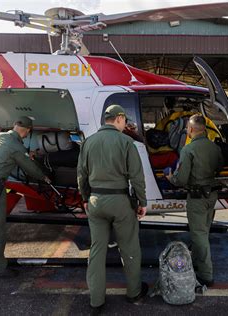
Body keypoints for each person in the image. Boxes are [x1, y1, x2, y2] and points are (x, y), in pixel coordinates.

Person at [77, 104, 148, 314]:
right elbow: (136, 176)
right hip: (120, 202)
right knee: (129, 247)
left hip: (96, 201)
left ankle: (96, 300)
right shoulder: (126, 142)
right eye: (124, 119)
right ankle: (134, 292)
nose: (125, 123)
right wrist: (142, 202)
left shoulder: (88, 142)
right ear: (118, 118)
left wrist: (84, 198)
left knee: (97, 250)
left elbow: (81, 175)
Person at [0, 116, 51, 277]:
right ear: (27, 130)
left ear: (15, 126)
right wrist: (44, 177)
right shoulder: (16, 146)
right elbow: (29, 168)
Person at [166, 114, 224, 286]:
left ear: (190, 130)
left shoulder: (188, 150)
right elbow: (219, 167)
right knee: (204, 231)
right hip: (211, 196)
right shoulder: (214, 148)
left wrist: (170, 178)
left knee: (199, 235)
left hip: (197, 197)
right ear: (204, 129)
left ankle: (206, 275)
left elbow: (181, 179)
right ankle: (197, 264)